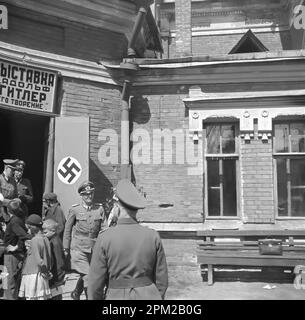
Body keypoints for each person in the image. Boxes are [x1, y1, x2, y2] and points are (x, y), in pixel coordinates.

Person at [88, 179, 168, 300]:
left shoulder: (105, 238)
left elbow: (95, 283)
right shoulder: (152, 236)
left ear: (117, 208)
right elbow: (162, 280)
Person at [63, 181, 107, 300]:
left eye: (91, 194)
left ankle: (76, 293)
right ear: (81, 196)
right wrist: (65, 248)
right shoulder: (75, 210)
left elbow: (104, 229)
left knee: (89, 274)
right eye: (86, 194)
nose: (89, 196)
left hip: (94, 248)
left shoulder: (99, 209)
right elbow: (67, 230)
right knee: (88, 276)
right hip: (78, 248)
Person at [2, 199, 32, 300]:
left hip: (12, 256)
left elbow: (23, 236)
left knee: (9, 280)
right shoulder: (18, 219)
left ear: (8, 210)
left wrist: (16, 247)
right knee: (11, 280)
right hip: (13, 254)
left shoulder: (14, 221)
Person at [18, 214, 52, 300]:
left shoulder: (34, 240)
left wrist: (44, 271)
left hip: (33, 274)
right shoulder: (46, 239)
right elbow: (48, 257)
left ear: (33, 227)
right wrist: (47, 271)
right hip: (42, 273)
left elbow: (39, 260)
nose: (28, 230)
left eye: (29, 227)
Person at [42, 219, 66, 300]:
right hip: (55, 276)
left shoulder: (54, 243)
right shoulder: (52, 240)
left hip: (56, 277)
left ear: (53, 231)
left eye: (45, 233)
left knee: (55, 296)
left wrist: (58, 278)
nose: (43, 235)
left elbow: (59, 261)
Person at [0, 159, 19, 225]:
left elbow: (16, 195)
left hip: (11, 213)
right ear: (6, 168)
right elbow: (1, 199)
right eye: (12, 170)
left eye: (14, 170)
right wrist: (10, 202)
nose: (13, 172)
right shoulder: (0, 179)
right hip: (2, 213)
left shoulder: (13, 181)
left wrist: (17, 201)